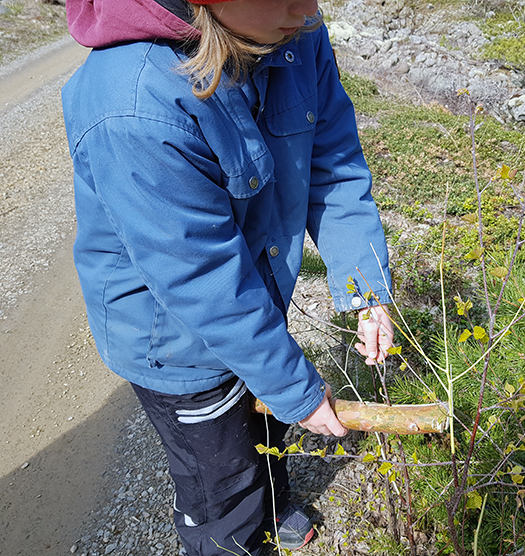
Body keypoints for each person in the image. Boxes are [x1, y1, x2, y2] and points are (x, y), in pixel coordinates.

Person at [62, 0, 394, 554]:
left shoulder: (293, 30)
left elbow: (333, 161)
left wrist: (366, 289)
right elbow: (200, 276)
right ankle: (234, 533)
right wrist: (298, 390)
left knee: (265, 423)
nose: (308, 11)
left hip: (252, 290)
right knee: (220, 476)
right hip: (174, 334)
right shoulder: (131, 101)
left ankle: (272, 499)